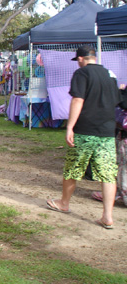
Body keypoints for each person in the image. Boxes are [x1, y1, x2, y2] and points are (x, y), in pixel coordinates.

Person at [46, 45, 121, 229]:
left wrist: (70, 126)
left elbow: (78, 99)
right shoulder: (110, 74)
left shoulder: (82, 74)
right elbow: (118, 100)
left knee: (73, 168)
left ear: (80, 58)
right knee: (108, 173)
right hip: (107, 132)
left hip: (85, 130)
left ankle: (64, 203)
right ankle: (107, 216)